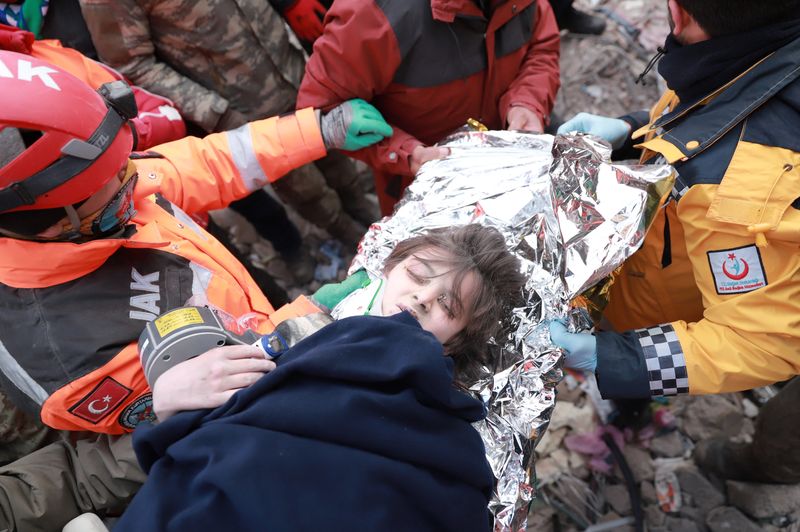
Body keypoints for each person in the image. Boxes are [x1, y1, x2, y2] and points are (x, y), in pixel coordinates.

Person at [0, 50, 391, 530]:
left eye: (126, 165)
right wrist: (308, 318)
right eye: (115, 184)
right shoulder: (74, 360)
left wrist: (316, 130)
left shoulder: (97, 186)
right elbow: (229, 399)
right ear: (51, 224)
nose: (133, 182)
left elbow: (206, 164)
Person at [108, 225, 524, 532]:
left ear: (454, 343)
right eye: (417, 276)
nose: (421, 297)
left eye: (446, 308)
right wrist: (171, 405)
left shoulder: (439, 417)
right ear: (390, 268)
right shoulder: (303, 324)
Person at [549, 0, 800, 478]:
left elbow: (763, 342)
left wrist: (616, 358)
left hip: (669, 301)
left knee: (635, 371)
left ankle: (634, 411)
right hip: (673, 264)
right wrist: (632, 130)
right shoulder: (761, 48)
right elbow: (715, 118)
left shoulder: (740, 188)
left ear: (677, 13)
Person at [79, 0, 380, 256]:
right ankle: (356, 243)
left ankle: (373, 218)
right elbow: (132, 66)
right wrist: (213, 111)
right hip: (241, 110)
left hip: (294, 74)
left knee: (340, 158)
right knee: (307, 189)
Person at [296, 0, 561, 215]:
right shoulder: (372, 14)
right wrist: (407, 154)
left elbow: (542, 44)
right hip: (425, 190)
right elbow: (322, 113)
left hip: (513, 164)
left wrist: (528, 101)